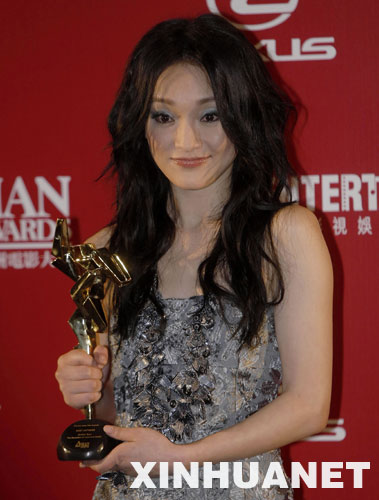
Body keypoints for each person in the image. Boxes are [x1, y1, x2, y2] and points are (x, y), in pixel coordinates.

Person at [55, 13, 333, 499]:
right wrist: (86, 389)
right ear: (141, 124)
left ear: (243, 115)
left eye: (210, 115)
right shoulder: (105, 251)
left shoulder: (285, 235)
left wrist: (180, 460)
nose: (185, 142)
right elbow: (110, 418)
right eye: (164, 116)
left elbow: (309, 404)